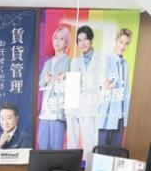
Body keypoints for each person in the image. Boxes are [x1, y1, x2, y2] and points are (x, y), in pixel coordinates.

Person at [65, 25, 106, 163]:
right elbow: (72, 87)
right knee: (72, 142)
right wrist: (69, 110)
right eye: (79, 40)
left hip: (92, 106)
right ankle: (71, 167)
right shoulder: (75, 62)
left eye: (85, 39)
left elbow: (103, 84)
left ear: (91, 39)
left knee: (90, 141)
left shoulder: (102, 59)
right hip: (75, 106)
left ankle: (90, 170)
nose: (82, 43)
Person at [37, 25, 71, 150]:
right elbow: (41, 83)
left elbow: (73, 85)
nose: (57, 41)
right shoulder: (47, 63)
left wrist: (65, 77)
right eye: (55, 38)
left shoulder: (70, 62)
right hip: (46, 109)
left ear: (67, 42)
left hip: (59, 110)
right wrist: (45, 80)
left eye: (61, 39)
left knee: (56, 147)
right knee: (42, 143)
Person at [98, 28, 132, 147]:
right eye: (121, 42)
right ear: (116, 40)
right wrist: (104, 87)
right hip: (106, 116)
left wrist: (126, 118)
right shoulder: (105, 60)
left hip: (119, 117)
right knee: (101, 152)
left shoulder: (125, 64)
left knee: (115, 153)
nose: (123, 46)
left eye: (126, 43)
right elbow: (99, 85)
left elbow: (126, 91)